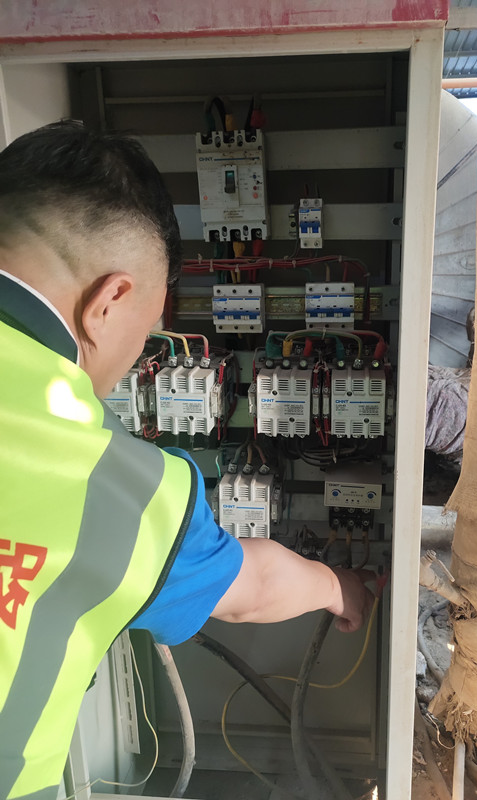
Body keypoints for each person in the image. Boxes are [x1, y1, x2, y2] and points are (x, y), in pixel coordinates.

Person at [0, 121, 374, 800]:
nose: (129, 366)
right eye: (148, 334)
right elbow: (251, 587)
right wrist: (338, 587)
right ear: (111, 299)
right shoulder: (110, 482)